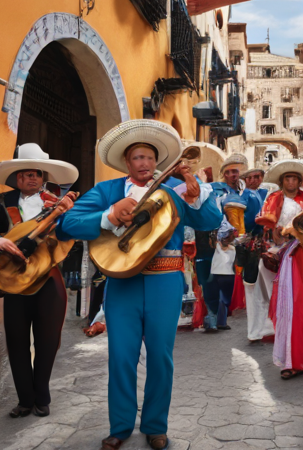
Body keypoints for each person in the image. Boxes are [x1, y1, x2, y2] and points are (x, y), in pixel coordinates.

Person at [55, 120, 222, 450]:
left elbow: (212, 221)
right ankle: (119, 427)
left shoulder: (174, 191)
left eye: (149, 158)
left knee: (160, 356)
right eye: (137, 158)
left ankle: (155, 426)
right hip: (122, 284)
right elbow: (66, 224)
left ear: (157, 161)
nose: (144, 164)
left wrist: (195, 194)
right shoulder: (108, 191)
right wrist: (108, 215)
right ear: (127, 163)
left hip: (165, 281)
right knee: (121, 356)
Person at [0, 143, 78, 418]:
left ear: (43, 177)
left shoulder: (58, 204)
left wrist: (67, 216)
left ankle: (42, 395)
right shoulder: (0, 202)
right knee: (16, 341)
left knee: (48, 341)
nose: (32, 178)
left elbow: (75, 232)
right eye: (26, 173)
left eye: (37, 173)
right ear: (17, 177)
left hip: (49, 280)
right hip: (13, 282)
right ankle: (25, 400)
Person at [254, 160, 303, 380]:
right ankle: (291, 358)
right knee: (288, 306)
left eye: (295, 178)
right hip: (285, 257)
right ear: (282, 181)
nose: (291, 182)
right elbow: (270, 229)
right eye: (288, 178)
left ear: (299, 181)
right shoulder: (274, 199)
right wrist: (280, 234)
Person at [210, 219, 238, 330]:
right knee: (223, 299)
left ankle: (219, 321)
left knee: (223, 300)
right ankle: (220, 322)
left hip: (223, 275)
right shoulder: (227, 248)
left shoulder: (230, 249)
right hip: (223, 275)